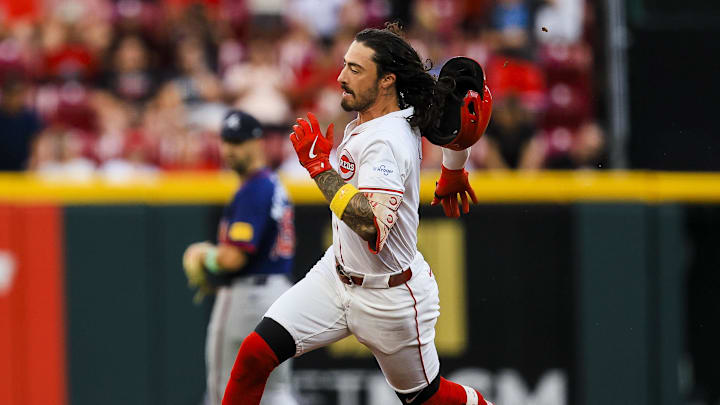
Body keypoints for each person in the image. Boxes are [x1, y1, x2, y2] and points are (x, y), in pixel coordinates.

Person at [221, 24, 494, 405]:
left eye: (355, 69)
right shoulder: (399, 112)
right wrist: (453, 169)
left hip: (390, 297)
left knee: (428, 399)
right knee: (255, 354)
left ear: (386, 81)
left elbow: (371, 225)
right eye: (345, 65)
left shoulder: (386, 140)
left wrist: (319, 168)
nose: (341, 76)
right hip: (336, 277)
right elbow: (455, 125)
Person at [182, 109, 298, 405]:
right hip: (278, 295)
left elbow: (234, 258)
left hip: (246, 296)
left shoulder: (254, 189)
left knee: (223, 390)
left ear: (257, 143)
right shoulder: (273, 183)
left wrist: (205, 256)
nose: (230, 150)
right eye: (227, 141)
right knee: (276, 390)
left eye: (239, 142)